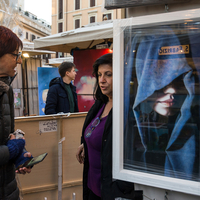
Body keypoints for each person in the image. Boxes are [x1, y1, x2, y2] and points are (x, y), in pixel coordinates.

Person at [123, 29, 199, 181]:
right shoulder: (130, 127)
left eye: (178, 82)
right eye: (160, 83)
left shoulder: (193, 125)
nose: (172, 91)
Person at [76, 53, 143, 200]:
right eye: (99, 75)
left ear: (121, 76)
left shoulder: (128, 109)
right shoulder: (101, 103)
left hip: (112, 191)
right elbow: (93, 130)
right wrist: (85, 143)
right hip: (92, 185)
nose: (102, 80)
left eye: (108, 74)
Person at [0, 26, 32, 200]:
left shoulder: (6, 89)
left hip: (8, 188)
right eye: (15, 55)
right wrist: (11, 151)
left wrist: (20, 155)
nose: (19, 61)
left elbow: (8, 136)